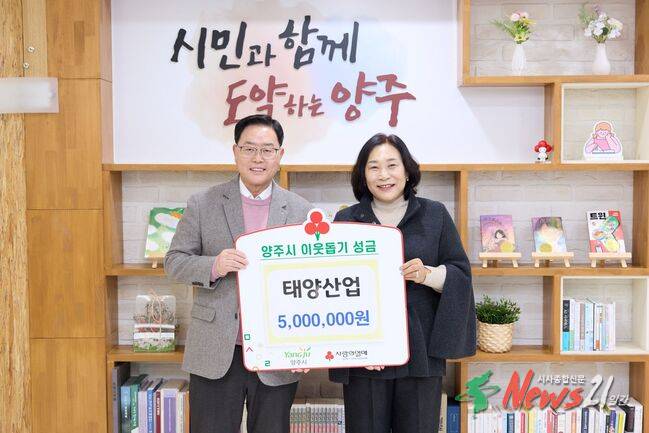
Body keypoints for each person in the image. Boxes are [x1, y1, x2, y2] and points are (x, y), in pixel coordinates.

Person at [164, 114, 312, 433]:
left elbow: (310, 282)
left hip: (277, 350)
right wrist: (213, 266)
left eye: (267, 150)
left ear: (280, 155)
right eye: (249, 148)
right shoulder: (203, 203)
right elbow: (174, 262)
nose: (258, 158)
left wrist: (306, 346)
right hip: (216, 348)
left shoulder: (301, 210)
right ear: (235, 152)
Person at [328, 133, 476, 433]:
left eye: (392, 165)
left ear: (407, 171)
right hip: (364, 353)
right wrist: (357, 347)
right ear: (363, 175)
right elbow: (332, 289)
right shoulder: (346, 219)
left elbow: (460, 273)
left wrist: (427, 274)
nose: (384, 175)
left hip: (421, 350)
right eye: (373, 167)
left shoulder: (435, 214)